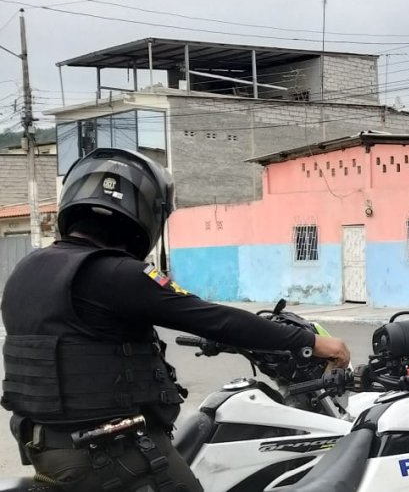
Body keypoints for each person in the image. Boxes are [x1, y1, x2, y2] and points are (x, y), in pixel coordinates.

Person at [1, 148, 351, 492]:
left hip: (48, 447)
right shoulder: (119, 274)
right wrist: (311, 342)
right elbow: (213, 318)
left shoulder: (27, 269)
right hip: (110, 456)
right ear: (145, 214)